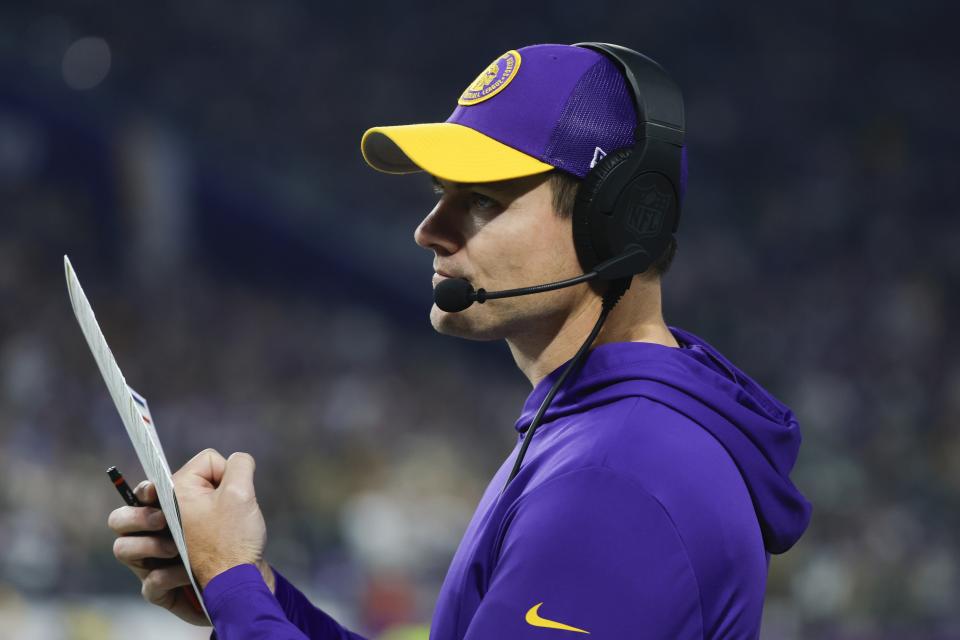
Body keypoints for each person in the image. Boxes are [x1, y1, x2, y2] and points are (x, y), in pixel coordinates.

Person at [108, 42, 812, 639]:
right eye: (441, 192)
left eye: (483, 199)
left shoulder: (622, 479)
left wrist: (233, 588)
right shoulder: (599, 433)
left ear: (623, 224)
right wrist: (254, 591)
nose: (428, 229)